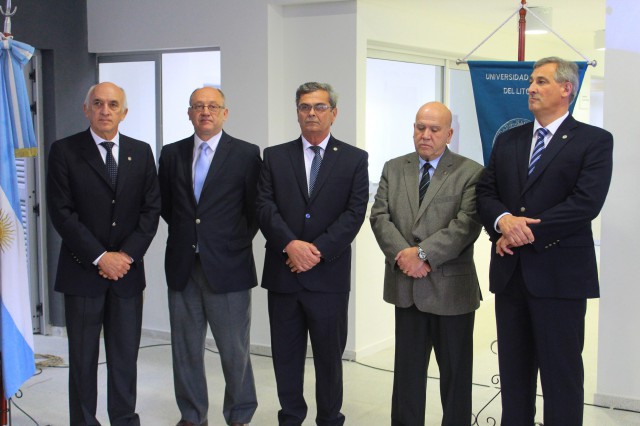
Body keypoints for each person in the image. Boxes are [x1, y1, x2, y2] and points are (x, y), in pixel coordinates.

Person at [476, 57, 613, 425]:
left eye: (541, 81)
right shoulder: (509, 139)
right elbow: (486, 193)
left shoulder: (594, 141)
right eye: (531, 82)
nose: (531, 88)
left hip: (561, 277)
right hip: (511, 277)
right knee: (514, 375)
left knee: (561, 376)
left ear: (566, 89)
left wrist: (521, 232)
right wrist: (503, 222)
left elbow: (585, 203)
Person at [47, 82, 161, 425]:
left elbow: (151, 210)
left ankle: (124, 420)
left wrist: (125, 256)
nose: (105, 110)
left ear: (124, 112)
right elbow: (61, 213)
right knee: (82, 361)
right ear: (86, 109)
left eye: (113, 104)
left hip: (127, 275)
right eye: (98, 103)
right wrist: (101, 256)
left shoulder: (141, 152)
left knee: (125, 359)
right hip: (82, 273)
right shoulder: (64, 151)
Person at [256, 82, 369, 426]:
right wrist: (290, 245)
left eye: (320, 107)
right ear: (297, 113)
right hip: (284, 276)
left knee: (329, 359)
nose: (312, 113)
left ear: (334, 113)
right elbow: (264, 206)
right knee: (285, 357)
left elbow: (354, 213)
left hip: (328, 277)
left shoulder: (354, 159)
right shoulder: (274, 156)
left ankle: (330, 418)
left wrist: (315, 252)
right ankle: (290, 417)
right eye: (305, 107)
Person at [370, 101, 484, 425]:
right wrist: (404, 256)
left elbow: (466, 225)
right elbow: (379, 217)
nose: (426, 135)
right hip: (406, 289)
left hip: (452, 292)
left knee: (456, 378)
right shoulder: (394, 168)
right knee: (407, 378)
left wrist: (421, 254)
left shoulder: (470, 172)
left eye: (434, 129)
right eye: (420, 127)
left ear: (449, 134)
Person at [158, 87, 260, 426]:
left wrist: (228, 243)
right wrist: (193, 237)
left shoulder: (246, 154)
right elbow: (168, 206)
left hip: (229, 268)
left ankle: (239, 415)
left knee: (234, 351)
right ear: (189, 113)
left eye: (213, 106)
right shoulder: (171, 154)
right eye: (199, 106)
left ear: (225, 113)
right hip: (183, 266)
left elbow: (254, 210)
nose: (206, 112)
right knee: (185, 350)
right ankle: (192, 415)